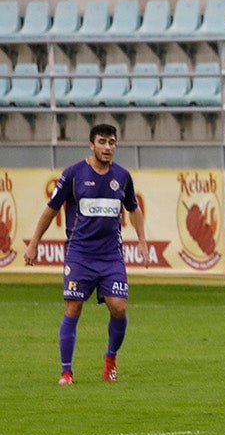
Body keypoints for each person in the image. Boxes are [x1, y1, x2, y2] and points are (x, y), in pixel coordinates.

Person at [23, 123, 148, 385]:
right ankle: (66, 371)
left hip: (111, 256)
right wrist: (34, 242)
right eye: (102, 142)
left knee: (119, 307)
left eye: (112, 142)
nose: (107, 147)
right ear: (91, 145)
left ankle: (110, 358)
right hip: (80, 254)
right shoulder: (73, 175)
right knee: (74, 306)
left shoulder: (122, 177)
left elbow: (133, 208)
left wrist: (142, 241)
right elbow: (51, 210)